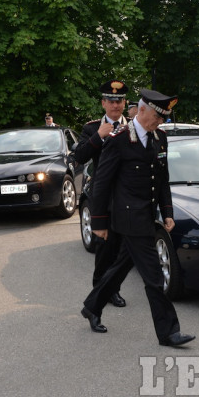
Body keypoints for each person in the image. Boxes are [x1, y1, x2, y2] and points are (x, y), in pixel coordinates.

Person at [80, 88, 195, 347]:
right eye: (158, 116)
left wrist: (167, 212)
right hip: (128, 218)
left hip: (147, 215)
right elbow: (102, 184)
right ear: (142, 110)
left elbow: (162, 179)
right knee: (154, 277)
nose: (161, 121)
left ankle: (92, 306)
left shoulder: (160, 138)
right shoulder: (119, 139)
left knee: (120, 267)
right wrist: (98, 223)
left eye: (164, 117)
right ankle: (168, 332)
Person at [74, 80, 130, 308]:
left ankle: (113, 289)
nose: (115, 105)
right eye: (111, 101)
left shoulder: (135, 127)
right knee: (104, 248)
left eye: (120, 101)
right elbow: (79, 156)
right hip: (104, 196)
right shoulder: (91, 128)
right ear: (103, 103)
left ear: (125, 103)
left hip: (127, 196)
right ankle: (101, 290)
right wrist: (98, 136)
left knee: (121, 248)